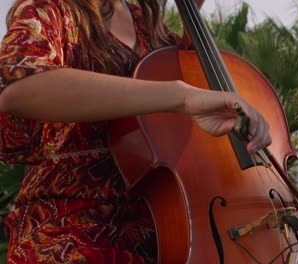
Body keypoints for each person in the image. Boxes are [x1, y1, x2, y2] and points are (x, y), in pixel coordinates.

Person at [0, 0, 271, 262]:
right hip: (73, 224)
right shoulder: (49, 9)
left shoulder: (148, 27)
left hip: (166, 224)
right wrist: (181, 96)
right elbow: (19, 87)